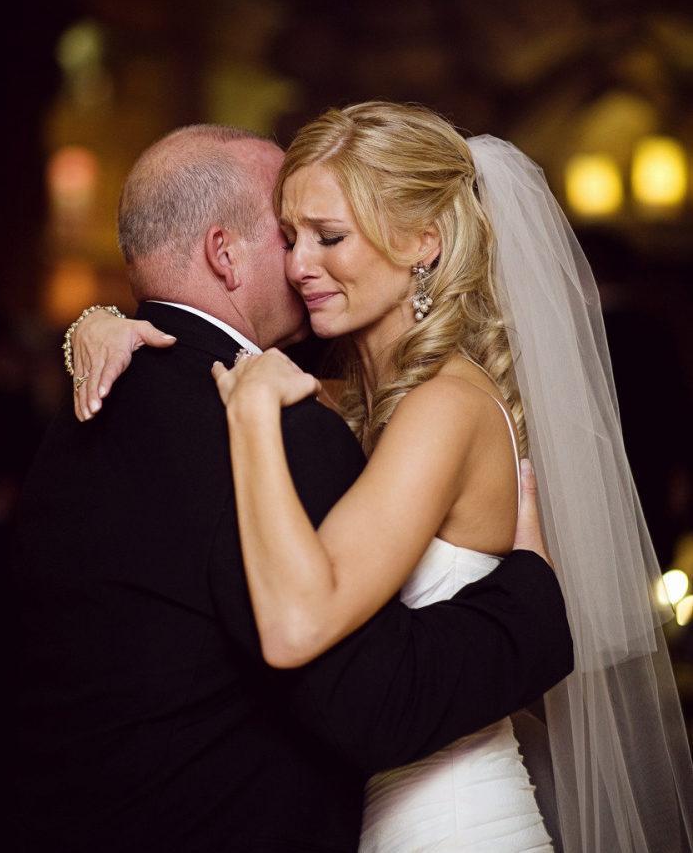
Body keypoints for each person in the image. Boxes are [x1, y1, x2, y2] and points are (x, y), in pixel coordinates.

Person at [80, 103, 693, 853]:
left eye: (330, 237)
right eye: (291, 237)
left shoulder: (445, 404)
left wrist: (251, 416)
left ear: (423, 242)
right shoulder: (354, 401)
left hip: (455, 826)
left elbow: (295, 625)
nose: (300, 265)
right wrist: (99, 321)